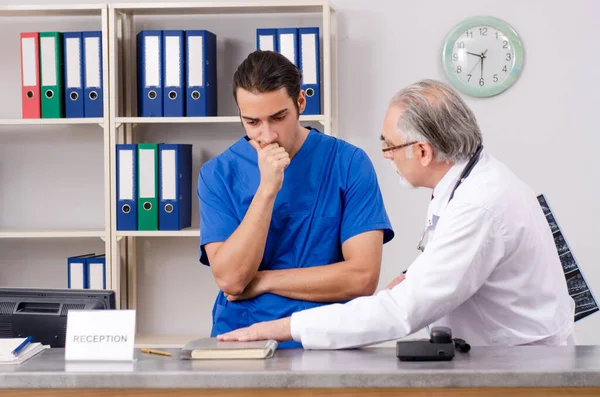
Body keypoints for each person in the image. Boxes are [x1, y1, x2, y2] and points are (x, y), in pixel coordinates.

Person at [218, 79, 576, 349]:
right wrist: (416, 276)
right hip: (503, 352)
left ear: (422, 151)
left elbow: (401, 312)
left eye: (390, 145)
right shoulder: (472, 183)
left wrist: (283, 327)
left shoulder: (479, 204)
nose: (386, 155)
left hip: (520, 363)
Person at [197, 50, 395, 348]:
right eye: (252, 122)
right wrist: (266, 190)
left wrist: (264, 281)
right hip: (243, 338)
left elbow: (362, 278)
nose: (267, 135)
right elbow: (232, 281)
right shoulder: (218, 174)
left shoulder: (348, 163)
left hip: (328, 337)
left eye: (278, 118)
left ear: (300, 102)